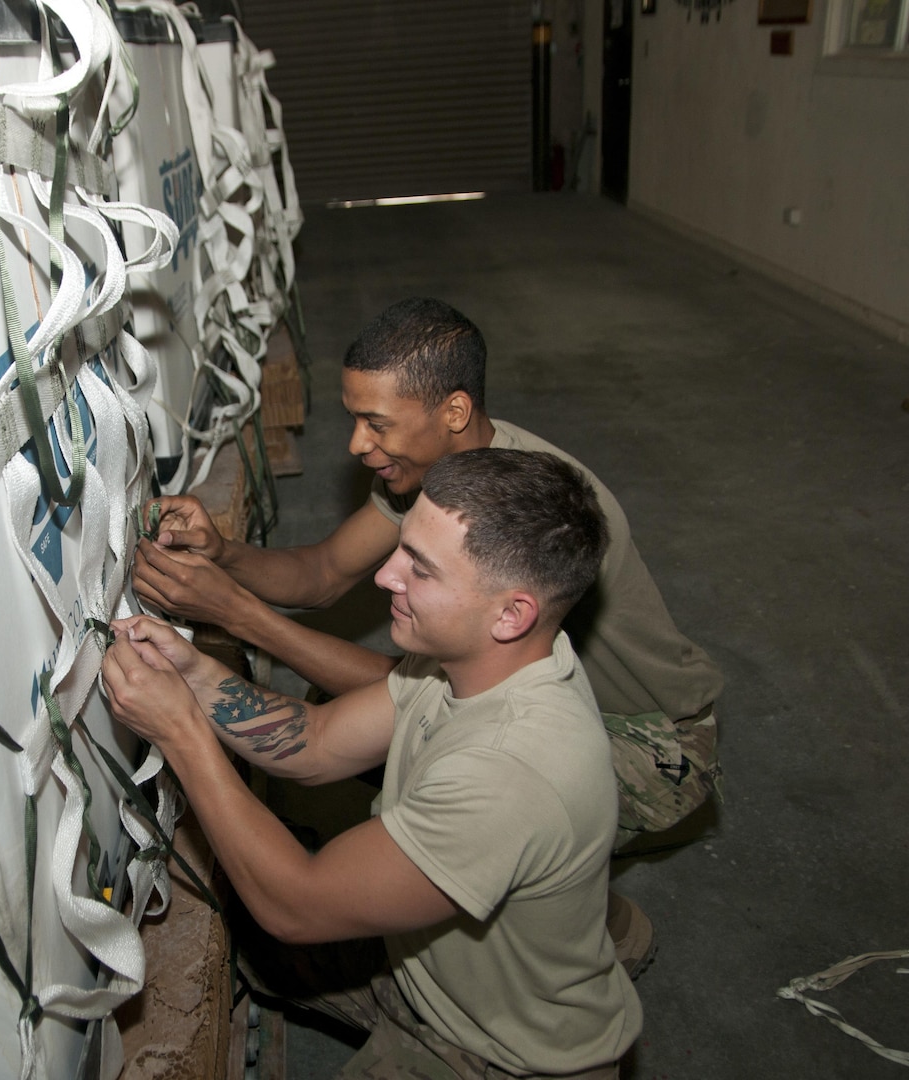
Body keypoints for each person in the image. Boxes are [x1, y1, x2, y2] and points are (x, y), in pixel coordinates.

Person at [104, 449, 641, 1079]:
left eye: (422, 569)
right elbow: (317, 739)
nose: (386, 576)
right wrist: (194, 674)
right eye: (402, 548)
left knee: (273, 906)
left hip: (497, 1055)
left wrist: (181, 732)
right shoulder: (479, 658)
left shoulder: (509, 772)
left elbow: (296, 905)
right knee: (253, 940)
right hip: (425, 966)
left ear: (511, 613)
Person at [132, 297, 723, 852]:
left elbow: (422, 695)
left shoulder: (516, 521)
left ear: (455, 411)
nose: (358, 444)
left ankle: (599, 925)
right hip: (548, 698)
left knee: (428, 783)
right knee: (337, 704)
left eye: (377, 423)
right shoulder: (436, 475)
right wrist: (223, 552)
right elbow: (324, 572)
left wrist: (235, 612)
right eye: (355, 419)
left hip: (651, 742)